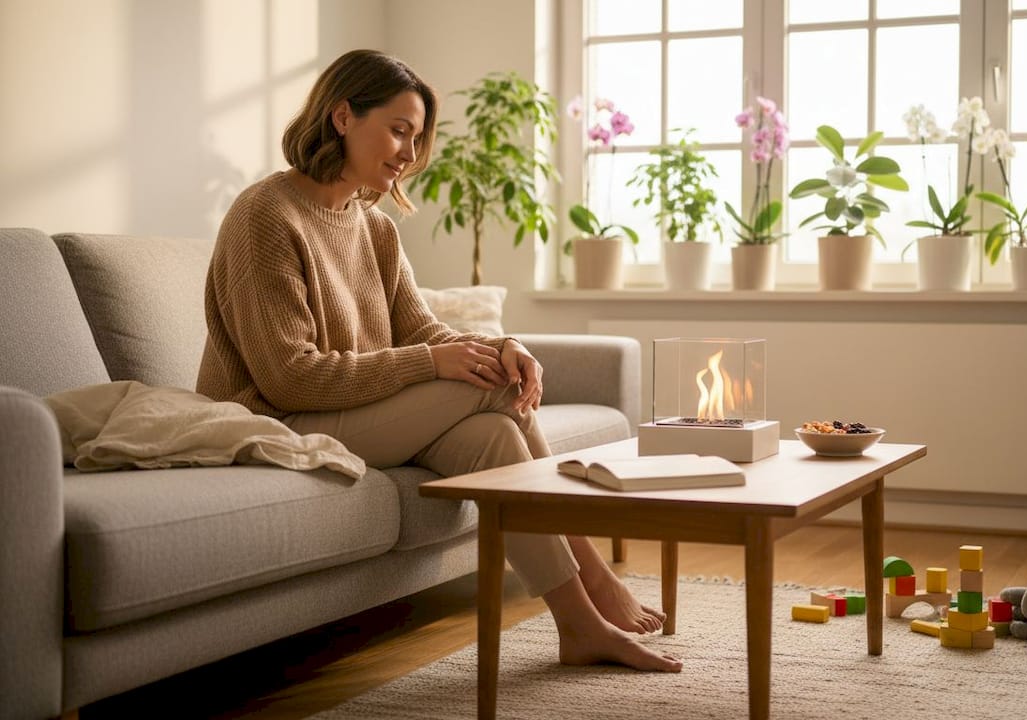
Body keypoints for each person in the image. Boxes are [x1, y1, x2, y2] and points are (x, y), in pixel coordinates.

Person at [196, 49, 680, 673]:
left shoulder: (375, 228)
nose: (409, 152)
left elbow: (419, 327)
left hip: (354, 410)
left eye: (416, 136)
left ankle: (578, 624)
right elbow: (289, 376)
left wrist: (502, 346)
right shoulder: (265, 217)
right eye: (398, 130)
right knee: (499, 393)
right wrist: (434, 363)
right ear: (342, 116)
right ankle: (595, 574)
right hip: (277, 422)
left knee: (496, 437)